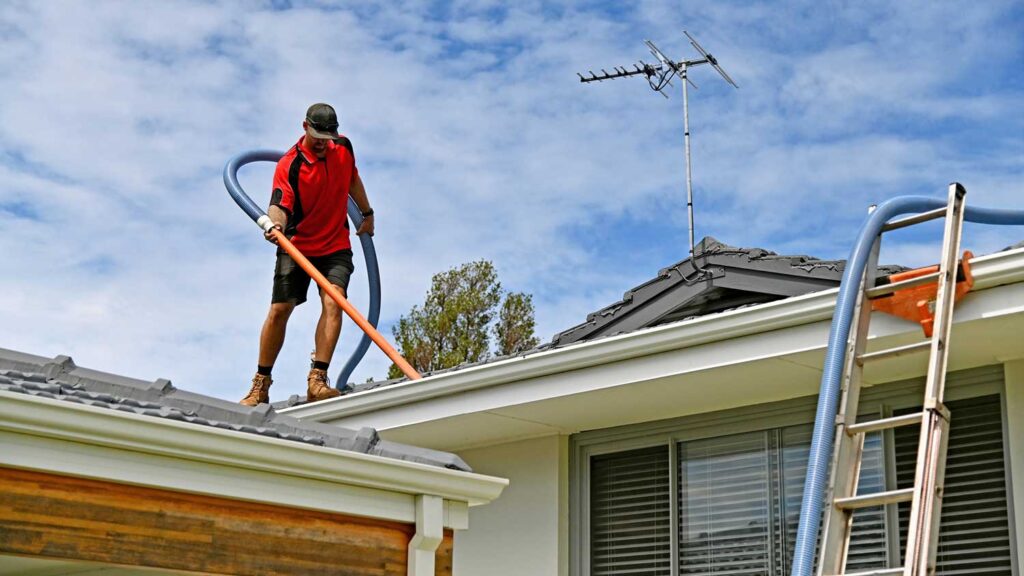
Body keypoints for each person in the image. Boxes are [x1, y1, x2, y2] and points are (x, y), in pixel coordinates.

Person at [240, 103, 375, 406]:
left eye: (327, 137)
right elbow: (279, 203)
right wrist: (275, 224)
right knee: (279, 310)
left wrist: (366, 212)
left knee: (335, 298)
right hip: (297, 245)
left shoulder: (343, 148)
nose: (322, 142)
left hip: (335, 245)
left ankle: (318, 379)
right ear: (304, 127)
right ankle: (261, 384)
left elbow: (352, 179)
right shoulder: (290, 164)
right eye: (316, 135)